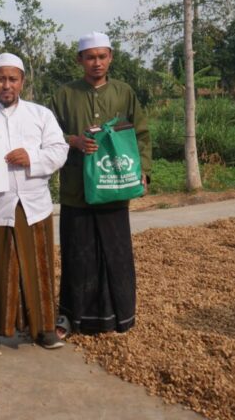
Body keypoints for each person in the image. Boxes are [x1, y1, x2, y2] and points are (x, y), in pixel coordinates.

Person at [0, 53, 69, 357]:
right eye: (0, 79)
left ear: (22, 81)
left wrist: (31, 159)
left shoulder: (40, 114)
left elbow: (59, 151)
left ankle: (44, 328)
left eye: (13, 79)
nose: (6, 85)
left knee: (39, 268)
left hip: (34, 205)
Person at [50, 31, 151, 335]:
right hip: (76, 189)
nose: (97, 63)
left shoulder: (123, 93)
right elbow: (48, 134)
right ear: (79, 60)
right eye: (90, 57)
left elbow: (141, 134)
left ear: (111, 57)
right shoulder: (64, 95)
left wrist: (143, 170)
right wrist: (73, 140)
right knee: (77, 253)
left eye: (102, 56)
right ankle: (71, 316)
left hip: (114, 186)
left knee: (115, 252)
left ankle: (119, 316)